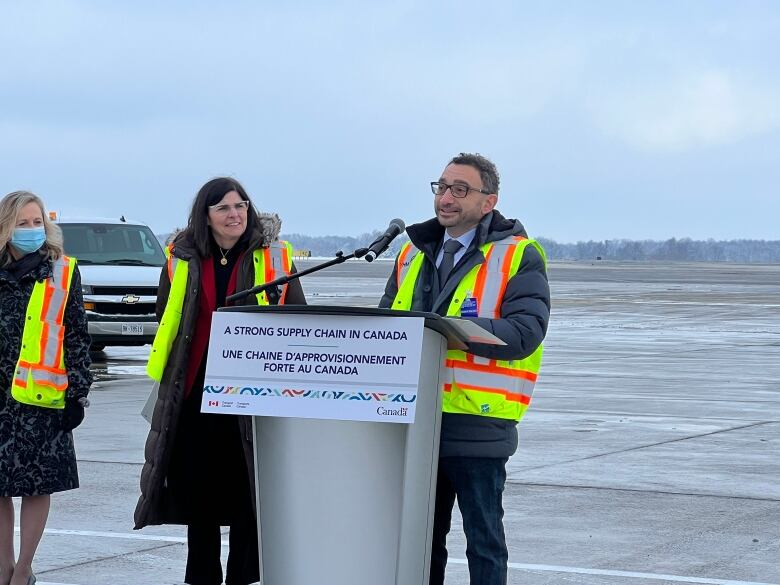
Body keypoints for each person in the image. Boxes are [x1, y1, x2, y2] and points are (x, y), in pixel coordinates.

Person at [379, 153, 550, 585]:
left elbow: (525, 331)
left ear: (488, 202)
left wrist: (451, 330)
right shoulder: (410, 255)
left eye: (461, 189)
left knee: (484, 542)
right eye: (441, 187)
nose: (447, 198)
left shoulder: (518, 256)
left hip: (477, 423)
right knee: (418, 543)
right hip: (413, 422)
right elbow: (384, 328)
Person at [134, 177, 306, 585]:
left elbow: (299, 319)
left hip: (254, 395)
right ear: (205, 217)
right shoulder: (182, 258)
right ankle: (201, 577)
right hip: (195, 393)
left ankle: (243, 578)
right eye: (224, 208)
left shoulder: (274, 258)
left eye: (241, 206)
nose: (235, 214)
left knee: (249, 496)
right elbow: (167, 315)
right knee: (201, 498)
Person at [0, 191, 92, 585]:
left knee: (37, 485)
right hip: (0, 397)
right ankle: (3, 567)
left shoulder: (62, 272)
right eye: (23, 223)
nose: (32, 230)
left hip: (42, 397)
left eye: (37, 222)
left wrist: (78, 392)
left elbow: (77, 337)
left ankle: (24, 569)